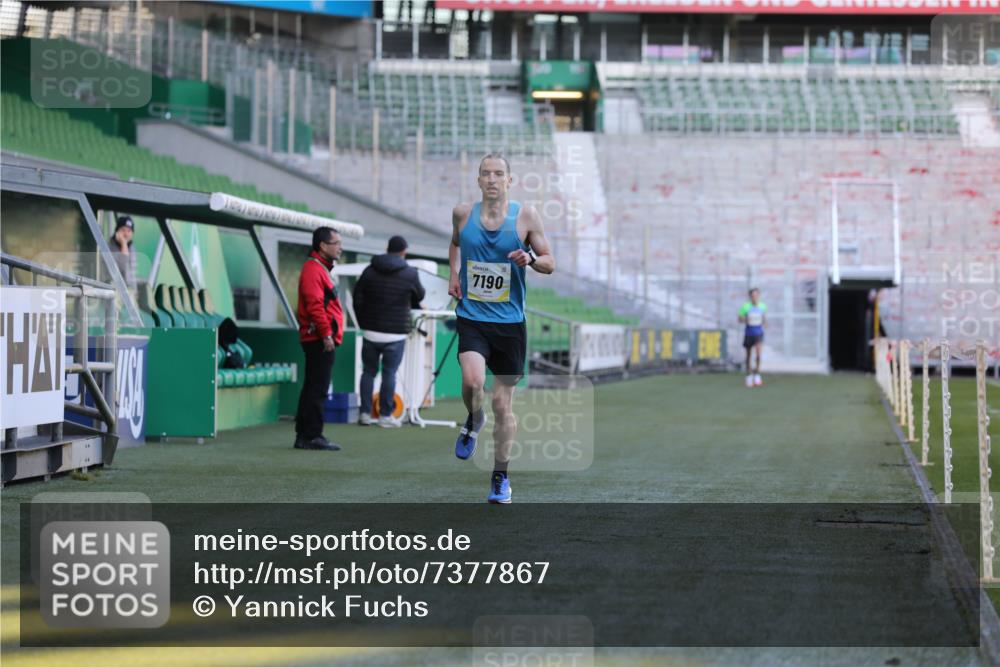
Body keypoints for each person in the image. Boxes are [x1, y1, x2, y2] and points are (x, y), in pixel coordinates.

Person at [448, 153, 555, 504]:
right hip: (473, 317)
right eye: (486, 174)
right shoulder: (463, 213)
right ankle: (474, 418)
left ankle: (500, 476)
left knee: (502, 405)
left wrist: (531, 259)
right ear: (478, 180)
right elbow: (454, 243)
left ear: (509, 180)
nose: (492, 179)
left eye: (498, 174)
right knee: (472, 383)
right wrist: (453, 274)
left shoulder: (526, 217)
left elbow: (550, 262)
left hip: (509, 324)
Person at [353, 235, 426, 428]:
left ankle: (364, 414)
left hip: (371, 331)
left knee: (368, 372)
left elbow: (357, 297)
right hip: (396, 333)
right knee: (389, 373)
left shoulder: (369, 270)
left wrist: (363, 322)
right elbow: (420, 295)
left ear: (387, 248)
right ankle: (385, 415)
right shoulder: (410, 273)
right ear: (404, 252)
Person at [294, 226, 344, 451]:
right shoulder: (314, 269)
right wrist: (326, 334)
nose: (340, 248)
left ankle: (304, 435)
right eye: (336, 243)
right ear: (323, 246)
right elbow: (315, 305)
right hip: (319, 338)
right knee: (317, 388)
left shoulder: (317, 268)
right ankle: (312, 435)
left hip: (318, 337)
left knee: (313, 387)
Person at [738, 288, 767, 387]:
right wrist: (746, 319)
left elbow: (763, 318)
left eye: (756, 295)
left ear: (758, 296)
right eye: (753, 296)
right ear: (750, 297)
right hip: (749, 333)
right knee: (748, 356)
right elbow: (740, 319)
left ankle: (757, 375)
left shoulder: (762, 306)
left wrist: (765, 322)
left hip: (758, 333)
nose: (755, 297)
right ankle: (749, 376)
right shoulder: (745, 307)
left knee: (758, 354)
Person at [109, 215, 136, 290]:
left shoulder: (131, 247)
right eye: (123, 230)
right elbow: (122, 268)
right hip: (115, 290)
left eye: (129, 231)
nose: (126, 234)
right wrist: (123, 243)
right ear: (117, 232)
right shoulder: (109, 247)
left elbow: (132, 275)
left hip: (129, 291)